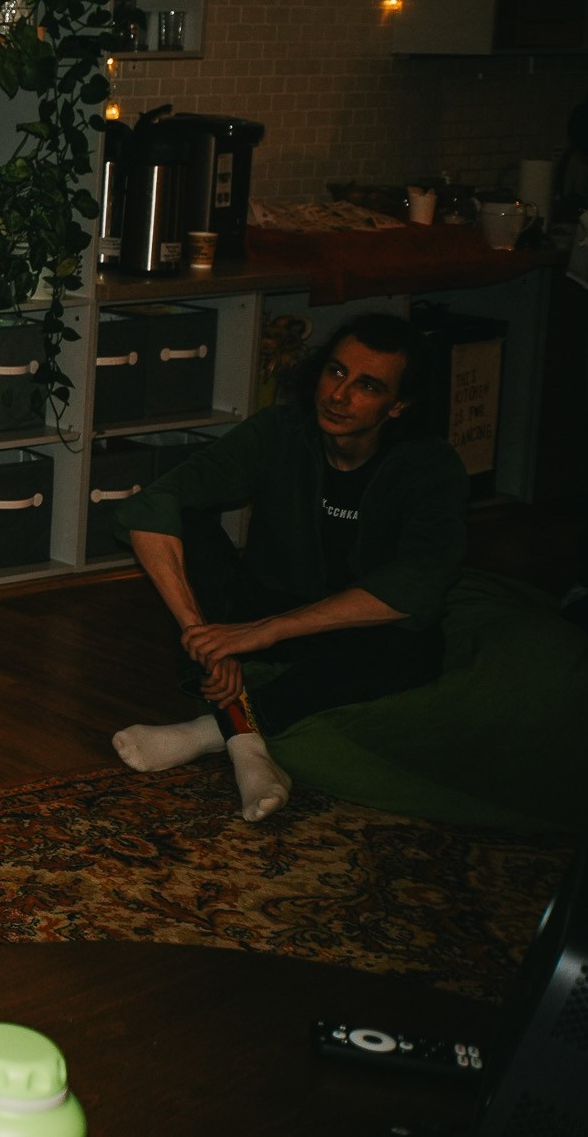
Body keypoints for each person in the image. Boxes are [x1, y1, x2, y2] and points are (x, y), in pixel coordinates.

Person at [108, 313, 467, 820]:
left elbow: (419, 582)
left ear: (399, 405)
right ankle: (242, 738)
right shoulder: (281, 430)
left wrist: (264, 632)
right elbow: (150, 506)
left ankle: (223, 734)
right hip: (266, 602)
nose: (339, 395)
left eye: (367, 386)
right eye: (336, 372)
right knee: (184, 521)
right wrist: (202, 633)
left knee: (417, 644)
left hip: (350, 627)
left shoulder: (430, 466)